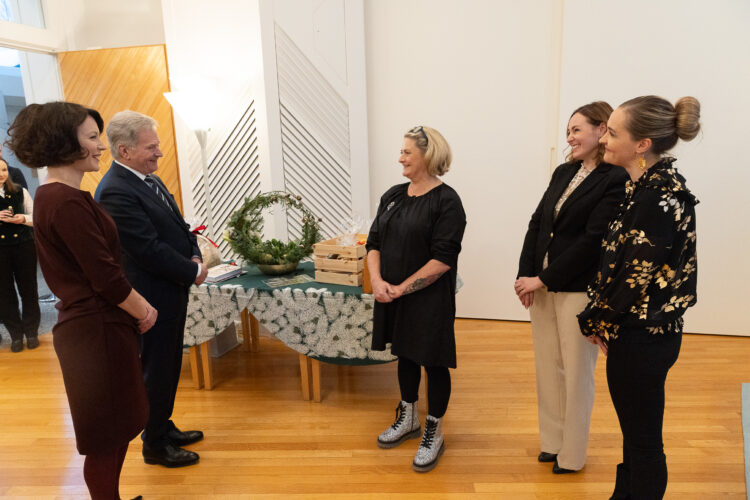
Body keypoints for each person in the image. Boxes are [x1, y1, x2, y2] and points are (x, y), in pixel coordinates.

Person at [6, 101, 156, 499]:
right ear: (63, 143)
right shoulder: (65, 201)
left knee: (118, 425)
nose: (100, 146)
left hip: (96, 328)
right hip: (96, 332)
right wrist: (144, 310)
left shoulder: (60, 197)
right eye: (92, 138)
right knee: (107, 433)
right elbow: (104, 276)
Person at [577, 96, 700, 499]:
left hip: (644, 337)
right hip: (637, 334)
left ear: (642, 144)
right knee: (635, 432)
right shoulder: (644, 187)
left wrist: (595, 319)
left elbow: (635, 276)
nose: (604, 139)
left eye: (613, 132)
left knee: (644, 439)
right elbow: (620, 262)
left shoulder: (656, 196)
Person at [515, 102, 629, 473]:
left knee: (577, 372)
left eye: (577, 129)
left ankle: (572, 455)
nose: (570, 137)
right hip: (542, 285)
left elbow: (594, 240)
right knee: (548, 367)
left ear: (601, 130)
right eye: (568, 131)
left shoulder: (615, 178)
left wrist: (543, 278)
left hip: (578, 288)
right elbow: (538, 222)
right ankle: (552, 441)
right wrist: (525, 275)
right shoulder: (565, 171)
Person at [95, 110, 208, 468]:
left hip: (171, 289)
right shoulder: (114, 191)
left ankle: (161, 424)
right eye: (151, 147)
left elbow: (178, 225)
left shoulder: (148, 179)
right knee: (157, 368)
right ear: (124, 151)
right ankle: (155, 445)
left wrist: (194, 253)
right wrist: (193, 272)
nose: (159, 153)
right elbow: (147, 249)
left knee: (170, 364)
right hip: (151, 296)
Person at [366, 125, 466, 473]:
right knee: (405, 354)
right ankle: (408, 417)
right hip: (392, 294)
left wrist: (400, 287)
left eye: (407, 152)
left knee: (433, 361)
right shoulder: (393, 195)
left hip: (429, 298)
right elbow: (373, 242)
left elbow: (442, 259)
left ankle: (434, 430)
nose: (400, 158)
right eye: (402, 151)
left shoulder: (447, 201)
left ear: (428, 155)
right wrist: (378, 281)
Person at [0, 156, 40, 352]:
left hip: (23, 246)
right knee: (5, 294)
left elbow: (35, 217)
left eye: (4, 170)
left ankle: (31, 332)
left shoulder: (20, 191)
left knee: (29, 290)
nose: (1, 174)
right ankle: (16, 335)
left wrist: (22, 218)